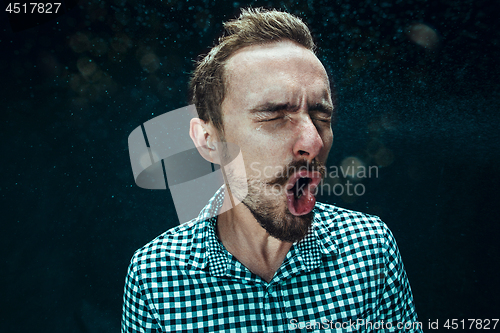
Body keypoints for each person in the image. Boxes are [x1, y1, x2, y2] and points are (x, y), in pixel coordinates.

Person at [122, 8, 422, 332]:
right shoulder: (154, 276)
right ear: (209, 140)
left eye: (322, 117)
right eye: (274, 115)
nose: (313, 141)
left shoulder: (370, 249)